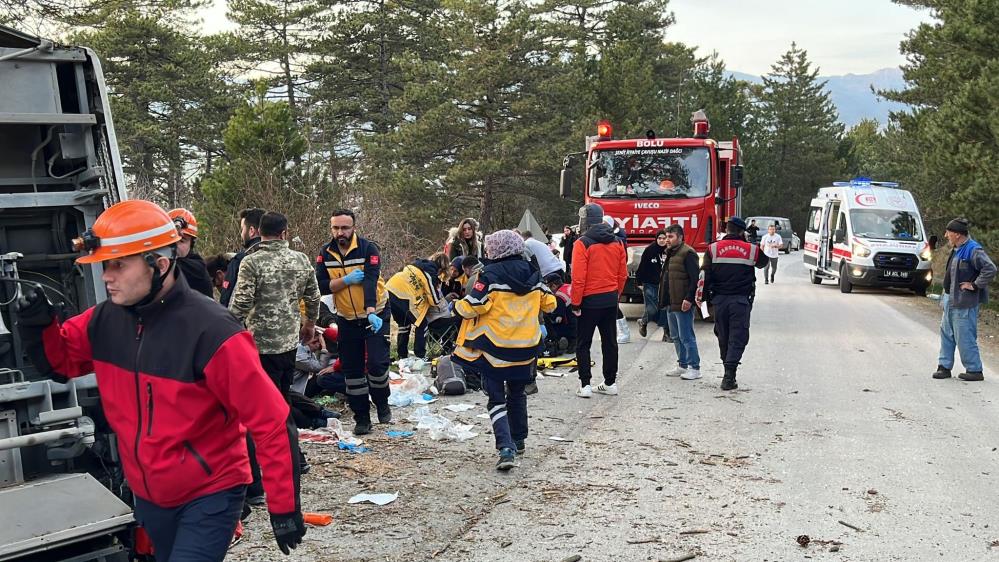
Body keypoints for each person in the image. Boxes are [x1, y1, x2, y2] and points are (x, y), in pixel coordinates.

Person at [15, 200, 304, 560]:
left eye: (118, 265)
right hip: (150, 496)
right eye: (105, 265)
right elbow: (60, 364)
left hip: (211, 492)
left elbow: (272, 422)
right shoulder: (104, 321)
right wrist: (38, 327)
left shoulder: (212, 332)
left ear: (160, 265)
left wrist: (283, 506)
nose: (106, 276)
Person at [452, 230, 556, 470]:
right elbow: (550, 304)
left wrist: (455, 307)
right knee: (518, 393)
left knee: (496, 397)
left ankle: (505, 447)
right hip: (526, 347)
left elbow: (474, 306)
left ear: (497, 250)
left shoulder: (488, 275)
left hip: (495, 348)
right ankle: (519, 440)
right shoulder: (533, 272)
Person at [228, 211, 321, 400]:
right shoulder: (301, 259)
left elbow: (242, 303)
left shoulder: (251, 262)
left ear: (259, 231)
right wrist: (310, 324)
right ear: (284, 233)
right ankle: (285, 428)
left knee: (264, 399)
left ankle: (275, 429)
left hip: (260, 345)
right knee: (284, 395)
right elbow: (313, 296)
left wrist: (228, 330)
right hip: (289, 342)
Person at [316, 209, 392, 436]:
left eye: (345, 228)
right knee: (353, 372)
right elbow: (321, 284)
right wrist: (344, 281)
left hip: (375, 313)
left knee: (377, 365)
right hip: (347, 317)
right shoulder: (325, 253)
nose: (340, 232)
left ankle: (382, 402)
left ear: (353, 228)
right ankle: (362, 418)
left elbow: (370, 280)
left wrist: (370, 310)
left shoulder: (368, 248)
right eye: (336, 228)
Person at [696, 217, 768, 390]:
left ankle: (727, 370)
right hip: (741, 301)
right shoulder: (751, 249)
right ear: (742, 231)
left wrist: (703, 302)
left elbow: (704, 276)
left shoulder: (713, 248)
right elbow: (763, 262)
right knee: (738, 336)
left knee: (723, 335)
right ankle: (729, 375)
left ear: (726, 230)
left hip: (719, 300)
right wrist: (749, 243)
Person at [571, 204, 628, 398]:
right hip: (610, 298)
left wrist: (576, 303)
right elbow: (623, 274)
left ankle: (585, 385)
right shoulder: (618, 243)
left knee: (583, 343)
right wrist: (616, 295)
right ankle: (610, 382)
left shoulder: (583, 243)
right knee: (610, 342)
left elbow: (578, 278)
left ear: (584, 221)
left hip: (589, 300)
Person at [933, 218, 997, 382]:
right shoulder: (957, 248)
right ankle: (944, 367)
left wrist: (975, 285)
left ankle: (975, 370)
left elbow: (990, 268)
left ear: (957, 234)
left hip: (964, 302)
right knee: (947, 333)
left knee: (965, 335)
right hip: (950, 300)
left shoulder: (973, 249)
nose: (946, 235)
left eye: (948, 232)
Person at [386, 253, 451, 365]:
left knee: (404, 324)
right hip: (404, 296)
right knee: (422, 324)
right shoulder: (430, 272)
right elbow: (434, 299)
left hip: (391, 289)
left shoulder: (418, 264)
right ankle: (420, 355)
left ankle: (402, 355)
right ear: (442, 268)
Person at [658, 224, 701, 379]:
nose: (667, 240)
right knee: (675, 336)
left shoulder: (688, 253)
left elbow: (694, 279)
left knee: (686, 336)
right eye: (666, 236)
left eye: (670, 237)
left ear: (680, 237)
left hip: (683, 302)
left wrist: (689, 298)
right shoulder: (670, 253)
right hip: (671, 301)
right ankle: (682, 365)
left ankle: (694, 368)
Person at [220, 208, 264, 307]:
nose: (241, 234)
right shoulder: (288, 259)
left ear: (251, 231)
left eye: (242, 229)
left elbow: (227, 299)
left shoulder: (241, 260)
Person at [168, 208, 214, 298]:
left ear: (191, 244)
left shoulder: (195, 269)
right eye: (171, 240)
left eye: (181, 241)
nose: (175, 246)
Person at [635, 230, 668, 339]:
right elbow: (642, 266)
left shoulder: (670, 250)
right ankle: (643, 322)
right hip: (650, 283)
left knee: (664, 308)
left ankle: (666, 333)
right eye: (660, 238)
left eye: (664, 238)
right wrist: (639, 281)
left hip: (665, 284)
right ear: (656, 239)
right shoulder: (650, 250)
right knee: (652, 309)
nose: (662, 241)